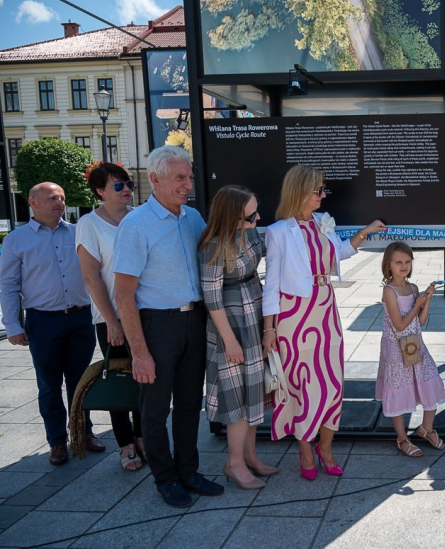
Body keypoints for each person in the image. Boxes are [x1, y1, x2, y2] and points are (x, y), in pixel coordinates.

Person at [114, 145, 222, 508]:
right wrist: (140, 353)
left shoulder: (192, 217)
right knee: (156, 409)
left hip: (194, 319)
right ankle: (165, 478)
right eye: (180, 177)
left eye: (189, 176)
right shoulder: (135, 225)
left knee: (191, 403)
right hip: (157, 324)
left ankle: (189, 471)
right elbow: (124, 295)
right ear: (155, 179)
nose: (188, 183)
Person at [262, 165, 385, 480]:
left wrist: (364, 233)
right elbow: (271, 284)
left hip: (325, 311)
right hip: (293, 316)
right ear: (300, 191)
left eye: (322, 189)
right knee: (302, 383)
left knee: (332, 383)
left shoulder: (322, 222)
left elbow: (338, 253)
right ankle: (305, 448)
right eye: (318, 190)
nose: (322, 195)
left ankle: (325, 447)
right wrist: (269, 328)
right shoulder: (277, 232)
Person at [0, 183, 104, 466]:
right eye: (51, 198)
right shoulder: (17, 240)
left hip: (81, 318)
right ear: (32, 202)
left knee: (81, 381)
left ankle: (84, 432)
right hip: (43, 321)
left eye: (61, 197)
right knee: (49, 385)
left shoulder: (78, 232)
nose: (59, 202)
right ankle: (56, 441)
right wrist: (12, 324)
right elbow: (8, 284)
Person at [199, 185, 277, 490]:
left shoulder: (249, 233)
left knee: (252, 391)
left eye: (257, 212)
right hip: (230, 326)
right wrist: (229, 341)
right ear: (232, 216)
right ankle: (234, 462)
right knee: (237, 398)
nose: (257, 219)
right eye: (251, 215)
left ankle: (250, 455)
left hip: (252, 316)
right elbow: (212, 298)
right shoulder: (213, 246)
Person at [76, 162, 144, 471]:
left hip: (145, 313)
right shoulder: (90, 224)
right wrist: (112, 321)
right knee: (118, 376)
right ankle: (126, 444)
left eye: (127, 183)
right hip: (111, 318)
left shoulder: (139, 218)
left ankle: (144, 437)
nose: (126, 188)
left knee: (146, 378)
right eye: (118, 186)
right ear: (100, 191)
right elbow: (92, 278)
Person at [377, 242, 445, 456]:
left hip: (415, 344)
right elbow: (399, 324)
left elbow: (421, 321)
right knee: (398, 387)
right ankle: (402, 438)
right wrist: (417, 304)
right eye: (398, 262)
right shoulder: (389, 291)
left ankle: (426, 428)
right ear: (388, 264)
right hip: (396, 349)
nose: (404, 266)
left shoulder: (413, 288)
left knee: (431, 379)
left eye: (408, 262)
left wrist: (426, 301)